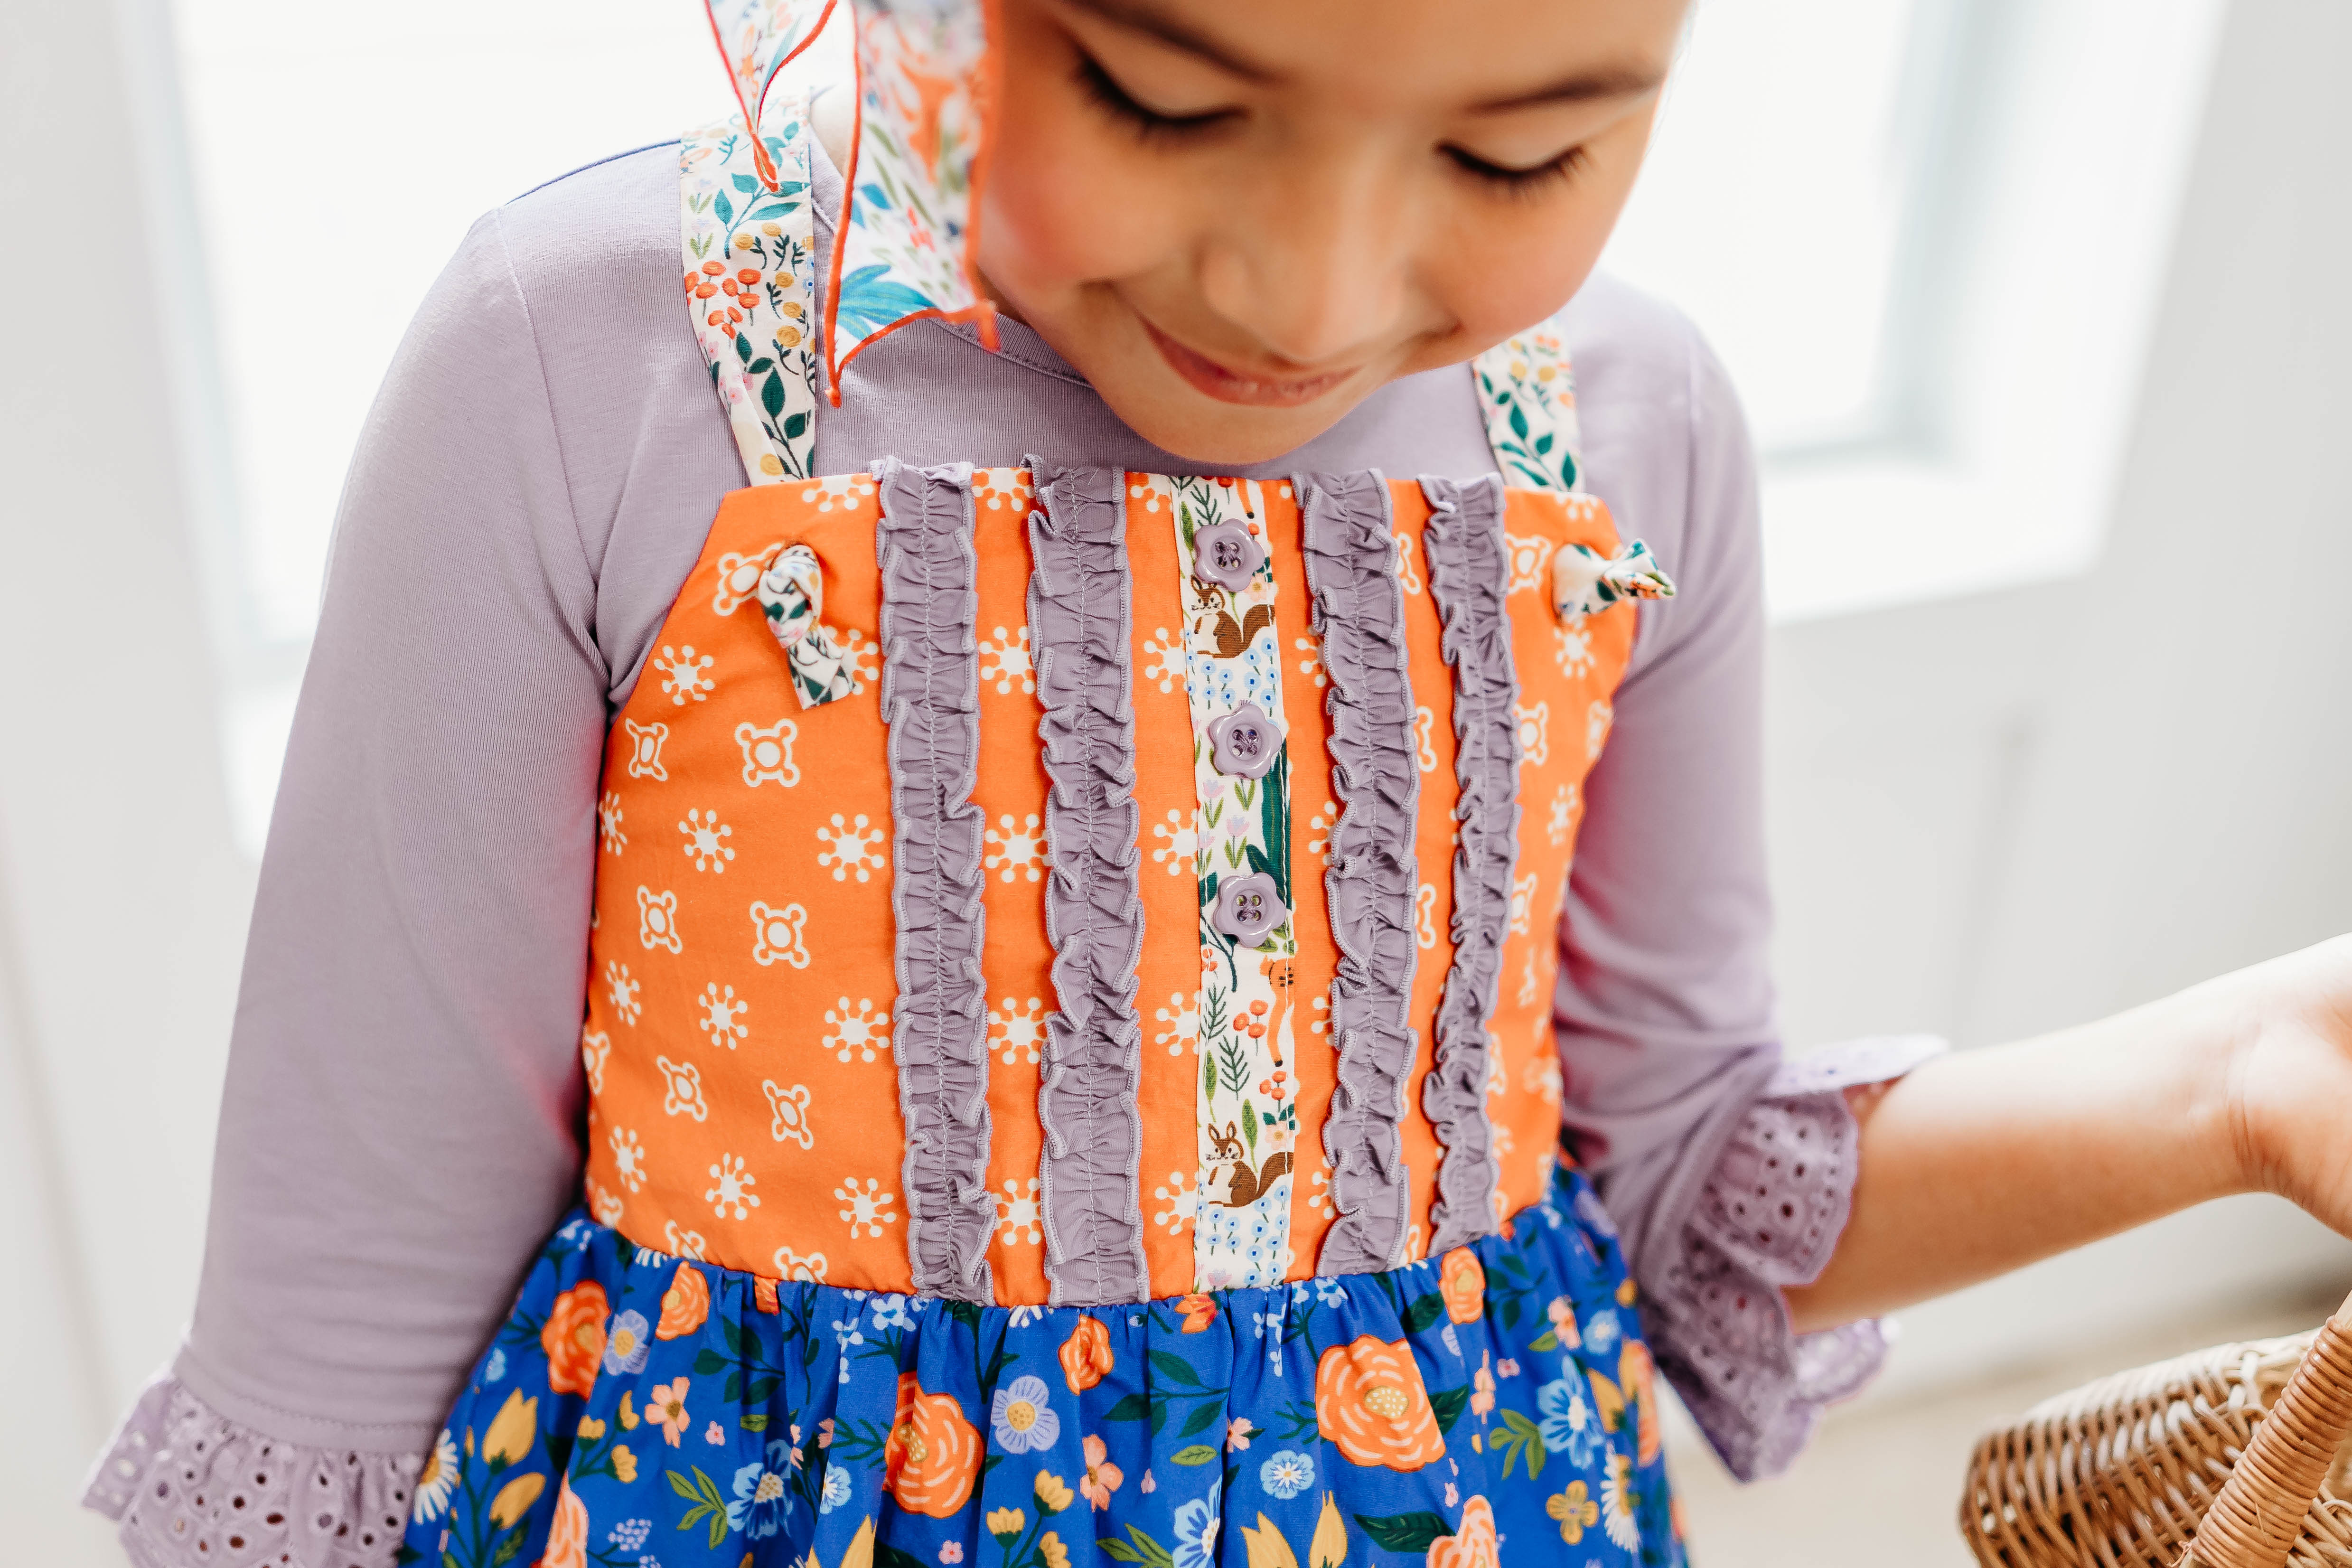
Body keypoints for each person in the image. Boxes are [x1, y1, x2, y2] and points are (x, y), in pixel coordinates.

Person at [77, 1, 2352, 1565]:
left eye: (1519, 147)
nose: (1313, 285)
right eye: (1168, 102)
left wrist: (2249, 1073)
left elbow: (1680, 1177)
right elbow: (342, 1334)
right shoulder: (587, 376)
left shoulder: (1633, 437)